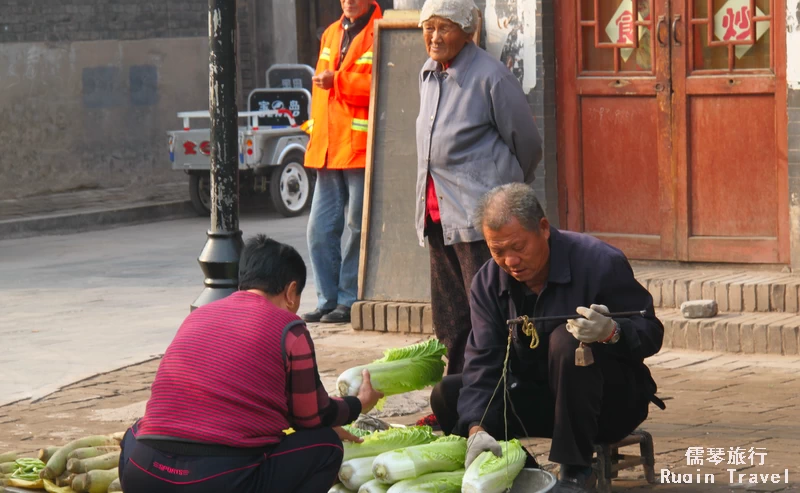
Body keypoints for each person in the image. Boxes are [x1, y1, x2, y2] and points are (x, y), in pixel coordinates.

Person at [429, 184, 665, 493]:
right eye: (497, 250)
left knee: (567, 342)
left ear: (543, 229)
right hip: (540, 398)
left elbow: (651, 332)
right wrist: (477, 427)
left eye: (518, 247)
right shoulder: (488, 281)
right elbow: (483, 360)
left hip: (607, 403)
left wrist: (612, 332)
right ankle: (527, 473)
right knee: (448, 393)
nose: (510, 261)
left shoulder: (599, 262)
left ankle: (576, 469)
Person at [118, 235, 383, 493]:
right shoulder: (290, 329)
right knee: (326, 446)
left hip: (143, 474)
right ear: (291, 291)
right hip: (219, 480)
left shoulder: (197, 317)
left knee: (138, 432)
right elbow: (311, 417)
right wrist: (357, 404)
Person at [415, 0, 543, 377]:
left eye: (444, 28)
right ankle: (458, 395)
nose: (434, 37)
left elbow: (528, 143)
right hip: (438, 215)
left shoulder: (491, 77)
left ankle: (504, 393)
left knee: (489, 314)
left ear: (467, 31)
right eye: (428, 28)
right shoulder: (428, 73)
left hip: (480, 219)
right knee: (451, 318)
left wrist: (504, 193)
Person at [302, 0, 383, 325]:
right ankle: (327, 300)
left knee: (356, 230)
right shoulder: (332, 32)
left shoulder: (380, 33)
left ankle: (347, 301)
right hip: (327, 148)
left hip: (359, 149)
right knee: (319, 231)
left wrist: (338, 81)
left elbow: (382, 84)